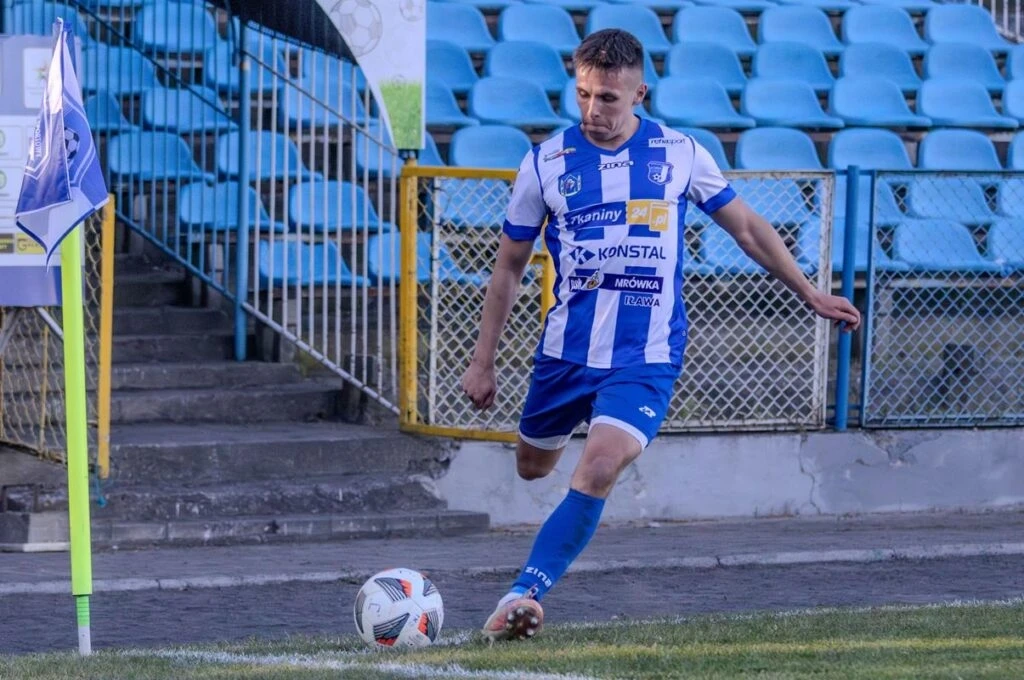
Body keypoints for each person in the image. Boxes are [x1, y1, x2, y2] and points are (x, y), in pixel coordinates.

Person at [460, 28, 861, 642]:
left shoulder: (679, 153)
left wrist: (809, 291)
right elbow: (509, 267)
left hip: (645, 355)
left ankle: (524, 594)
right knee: (533, 468)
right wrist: (482, 361)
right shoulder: (545, 163)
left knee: (600, 465)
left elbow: (747, 228)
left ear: (639, 93)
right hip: (566, 353)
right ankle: (556, 471)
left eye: (608, 98)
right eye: (583, 95)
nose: (593, 110)